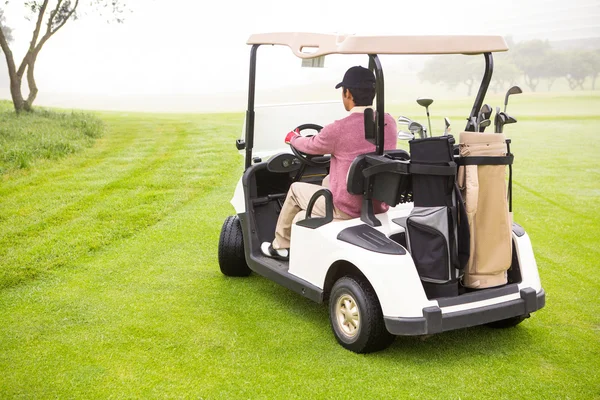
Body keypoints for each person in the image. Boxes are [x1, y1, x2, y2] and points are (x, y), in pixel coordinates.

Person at [261, 66, 398, 261]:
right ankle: (302, 226)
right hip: (377, 202)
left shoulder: (338, 129)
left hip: (347, 207)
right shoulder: (388, 123)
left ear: (347, 93)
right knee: (327, 180)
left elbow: (309, 144)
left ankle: (280, 245)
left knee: (295, 190)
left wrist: (293, 137)